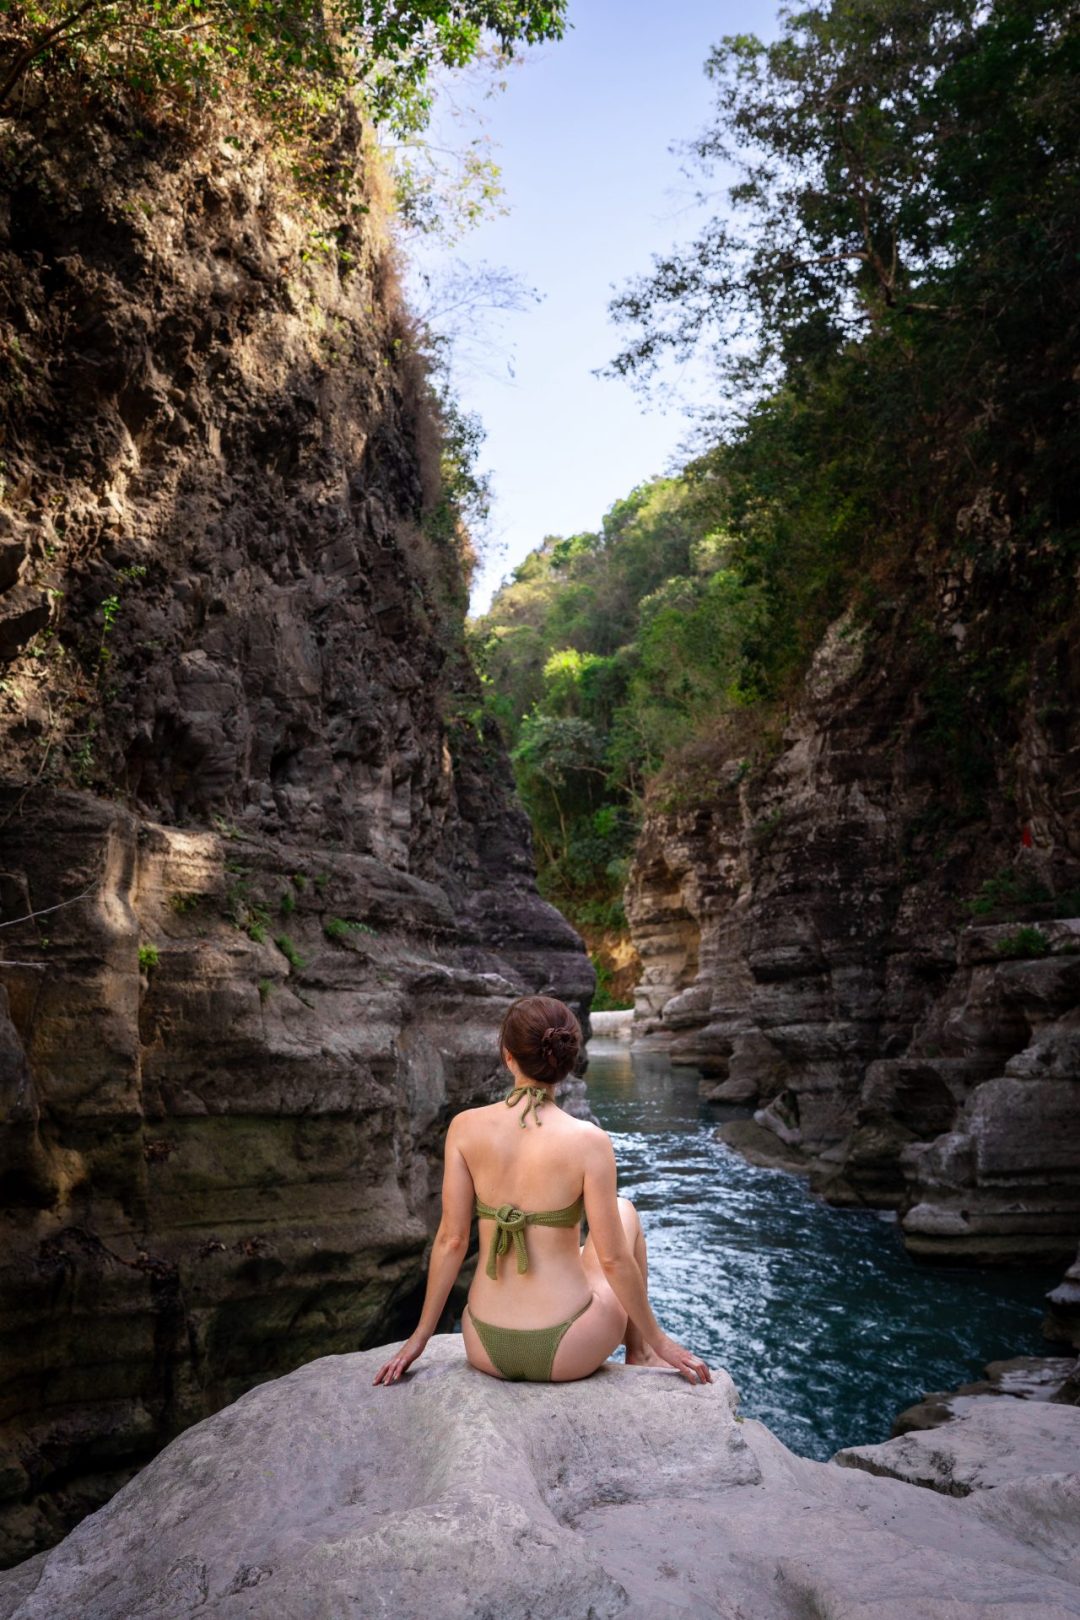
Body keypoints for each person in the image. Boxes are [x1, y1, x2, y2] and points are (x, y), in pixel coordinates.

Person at [373, 993, 712, 1387]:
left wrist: (419, 1339)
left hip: (483, 1345)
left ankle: (642, 1348)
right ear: (567, 1061)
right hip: (569, 1347)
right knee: (624, 1211)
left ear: (508, 1055)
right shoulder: (589, 1141)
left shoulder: (464, 1128)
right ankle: (643, 1351)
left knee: (596, 1240)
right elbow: (616, 1260)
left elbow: (451, 1240)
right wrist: (664, 1340)